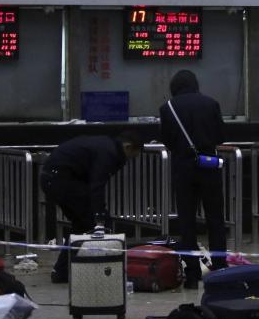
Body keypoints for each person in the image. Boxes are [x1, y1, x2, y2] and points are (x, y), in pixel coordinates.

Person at [40, 130, 144, 283]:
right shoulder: (109, 153)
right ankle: (103, 270)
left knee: (81, 225)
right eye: (132, 155)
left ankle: (62, 271)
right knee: (97, 223)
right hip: (62, 180)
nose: (130, 159)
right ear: (128, 147)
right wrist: (99, 214)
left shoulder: (106, 145)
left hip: (54, 178)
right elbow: (97, 184)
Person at [159, 69, 228, 289]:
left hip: (184, 169)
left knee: (186, 222)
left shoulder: (167, 108)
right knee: (215, 219)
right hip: (209, 166)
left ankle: (191, 274)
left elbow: (168, 141)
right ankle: (220, 268)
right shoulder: (211, 104)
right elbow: (220, 136)